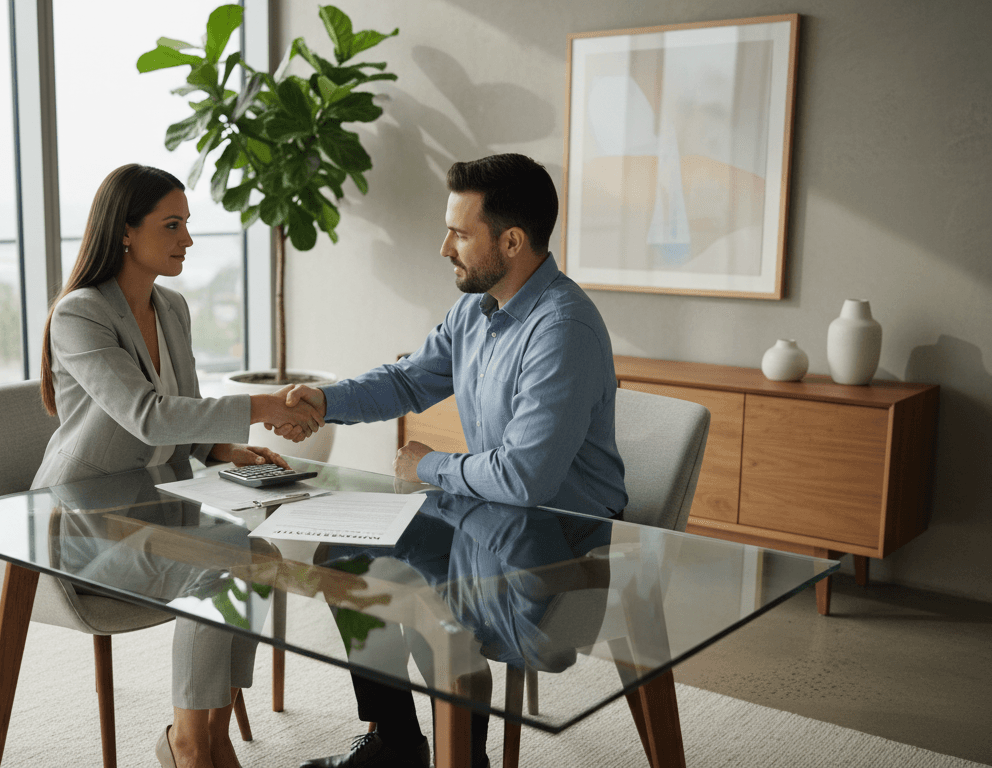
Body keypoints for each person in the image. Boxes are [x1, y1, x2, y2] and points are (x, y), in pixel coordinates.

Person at [281, 153, 627, 768]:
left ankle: (461, 756)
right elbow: (411, 380)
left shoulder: (562, 330)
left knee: (407, 591)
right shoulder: (478, 307)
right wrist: (325, 401)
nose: (444, 247)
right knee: (347, 559)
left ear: (513, 241)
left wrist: (427, 465)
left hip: (560, 555)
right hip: (486, 524)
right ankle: (400, 744)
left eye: (461, 233)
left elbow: (525, 476)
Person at [31, 163, 321, 768]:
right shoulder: (80, 314)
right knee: (220, 568)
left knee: (260, 556)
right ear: (126, 231)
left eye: (187, 224)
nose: (187, 238)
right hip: (82, 520)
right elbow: (149, 416)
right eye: (171, 224)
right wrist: (266, 405)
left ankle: (207, 735)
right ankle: (188, 745)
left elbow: (181, 414)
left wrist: (224, 450)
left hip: (154, 505)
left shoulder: (172, 308)